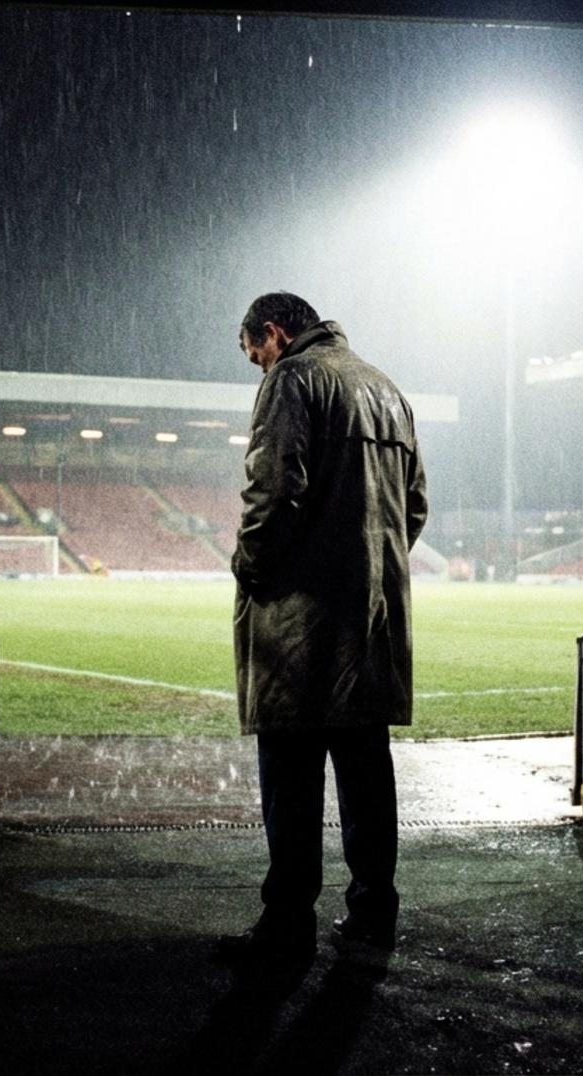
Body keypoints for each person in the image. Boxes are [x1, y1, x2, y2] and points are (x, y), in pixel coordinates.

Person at [221, 291, 428, 969]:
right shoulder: (387, 389)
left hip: (302, 622)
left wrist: (250, 567)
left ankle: (287, 927)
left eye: (255, 354)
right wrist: (369, 568)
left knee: (291, 773)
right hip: (372, 619)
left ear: (273, 333)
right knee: (366, 771)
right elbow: (414, 506)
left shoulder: (293, 379)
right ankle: (373, 913)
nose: (259, 367)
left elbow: (275, 489)